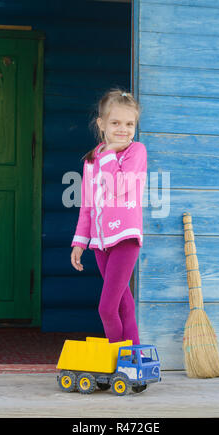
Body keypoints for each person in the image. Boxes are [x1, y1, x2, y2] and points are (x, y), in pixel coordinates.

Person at [70, 88, 147, 346]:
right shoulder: (93, 160)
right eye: (115, 123)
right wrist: (80, 242)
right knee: (123, 302)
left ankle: (118, 360)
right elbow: (88, 206)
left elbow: (119, 186)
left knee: (106, 308)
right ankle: (133, 356)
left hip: (125, 238)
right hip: (101, 243)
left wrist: (108, 154)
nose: (123, 129)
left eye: (129, 124)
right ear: (101, 124)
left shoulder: (136, 152)